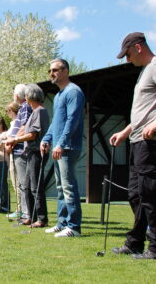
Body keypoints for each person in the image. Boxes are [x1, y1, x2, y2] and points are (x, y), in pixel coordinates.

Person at [110, 32, 156, 260]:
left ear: (138, 47)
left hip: (153, 141)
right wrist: (124, 131)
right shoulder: (143, 72)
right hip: (138, 140)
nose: (127, 60)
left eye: (128, 54)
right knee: (136, 194)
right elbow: (142, 114)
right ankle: (135, 243)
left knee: (151, 194)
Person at [40, 58, 85, 237]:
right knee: (60, 187)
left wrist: (61, 143)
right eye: (50, 70)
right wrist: (47, 138)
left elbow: (72, 120)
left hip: (68, 147)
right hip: (58, 146)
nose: (52, 73)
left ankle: (74, 227)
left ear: (66, 71)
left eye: (56, 70)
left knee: (68, 187)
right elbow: (55, 123)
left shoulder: (73, 92)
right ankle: (62, 222)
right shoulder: (59, 95)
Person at [6, 84, 50, 227]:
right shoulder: (35, 111)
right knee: (27, 185)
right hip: (30, 152)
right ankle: (31, 216)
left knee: (36, 186)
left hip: (37, 151)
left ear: (29, 96)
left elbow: (33, 134)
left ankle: (42, 219)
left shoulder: (40, 111)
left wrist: (15, 139)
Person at [8, 84, 33, 221]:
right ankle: (25, 213)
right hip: (17, 148)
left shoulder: (24, 107)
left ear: (17, 95)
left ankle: (26, 214)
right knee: (21, 184)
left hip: (21, 149)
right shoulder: (24, 107)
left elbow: (25, 127)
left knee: (23, 184)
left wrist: (13, 140)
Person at [5, 101, 21, 219]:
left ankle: (20, 210)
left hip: (16, 154)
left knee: (17, 184)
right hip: (12, 155)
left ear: (12, 111)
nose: (7, 114)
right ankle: (20, 209)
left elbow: (14, 138)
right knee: (15, 184)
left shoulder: (17, 122)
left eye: (8, 111)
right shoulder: (13, 123)